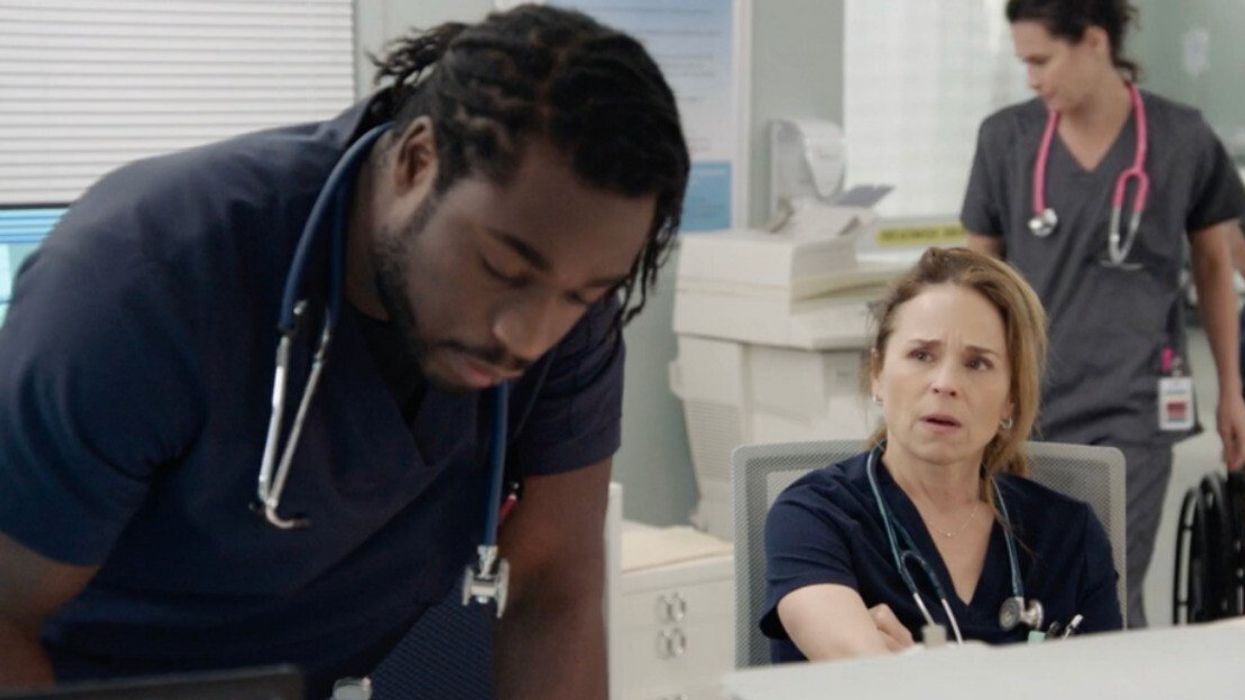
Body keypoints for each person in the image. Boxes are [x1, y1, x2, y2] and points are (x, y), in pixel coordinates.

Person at [0, 6, 688, 699]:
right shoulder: (143, 277)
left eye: (582, 293)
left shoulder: (567, 301)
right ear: (418, 161)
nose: (529, 336)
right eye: (504, 271)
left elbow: (553, 588)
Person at [961, 0, 1245, 628]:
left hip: (1135, 407)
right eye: (1023, 63)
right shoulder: (1006, 138)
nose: (1031, 78)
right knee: (1023, 593)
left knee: (1108, 587)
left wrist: (1232, 390)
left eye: (1041, 60)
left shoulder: (1182, 137)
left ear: (1093, 42)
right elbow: (973, 282)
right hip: (1028, 408)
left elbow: (1213, 266)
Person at [762, 247, 1122, 662]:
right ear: (877, 374)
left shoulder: (1068, 536)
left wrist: (919, 669)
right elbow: (865, 680)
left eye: (978, 363)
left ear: (1010, 400)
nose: (946, 383)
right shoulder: (813, 516)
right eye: (921, 355)